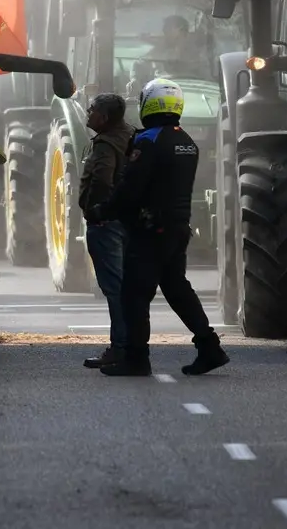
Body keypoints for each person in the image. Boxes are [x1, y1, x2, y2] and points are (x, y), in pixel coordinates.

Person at [100, 78, 229, 377]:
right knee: (176, 288)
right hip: (177, 228)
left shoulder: (149, 140)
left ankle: (136, 359)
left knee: (134, 293)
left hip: (150, 230)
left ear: (148, 103)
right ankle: (209, 347)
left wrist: (103, 210)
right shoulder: (187, 141)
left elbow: (131, 188)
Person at [79, 93, 137, 371]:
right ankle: (132, 346)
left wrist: (96, 211)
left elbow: (101, 179)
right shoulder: (133, 135)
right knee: (128, 287)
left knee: (115, 289)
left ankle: (120, 348)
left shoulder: (105, 144)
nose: (88, 115)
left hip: (107, 224)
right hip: (130, 221)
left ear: (104, 117)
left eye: (92, 110)